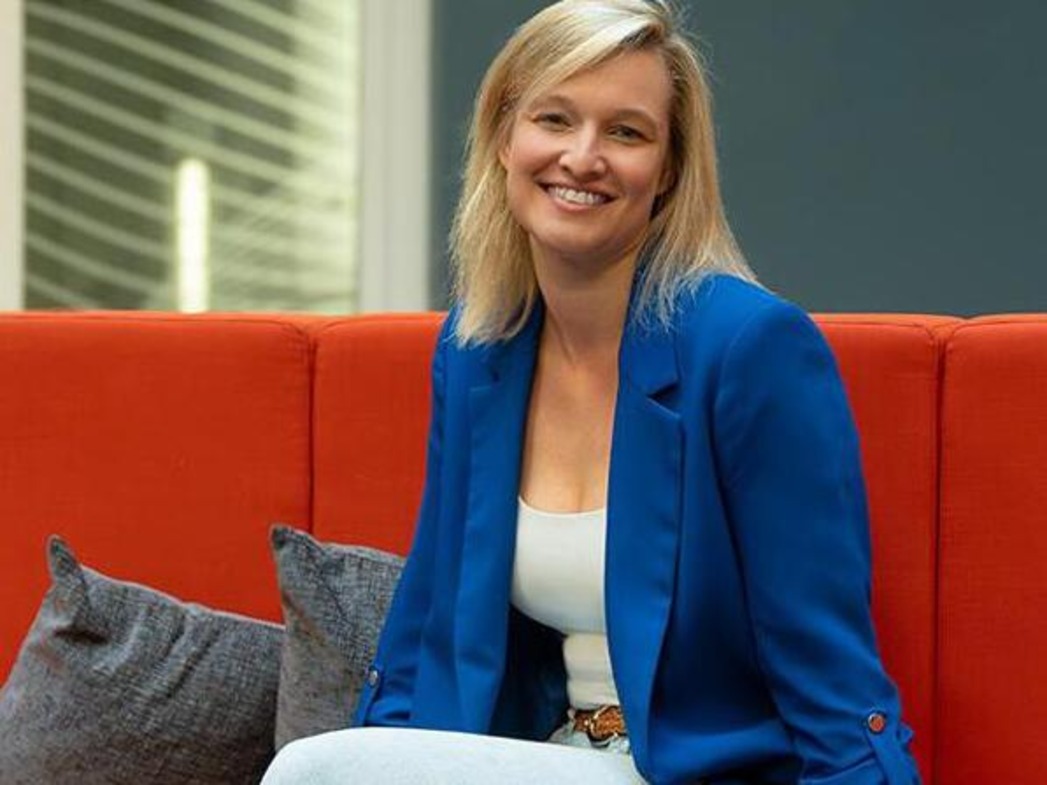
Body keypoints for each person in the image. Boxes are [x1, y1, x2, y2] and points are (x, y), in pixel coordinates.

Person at [263, 1, 921, 782]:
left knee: (311, 771)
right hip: (547, 752)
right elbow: (427, 628)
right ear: (503, 136)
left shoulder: (748, 348)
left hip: (694, 771)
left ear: (668, 169)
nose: (581, 157)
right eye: (554, 119)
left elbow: (825, 662)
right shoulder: (479, 348)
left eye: (626, 132)